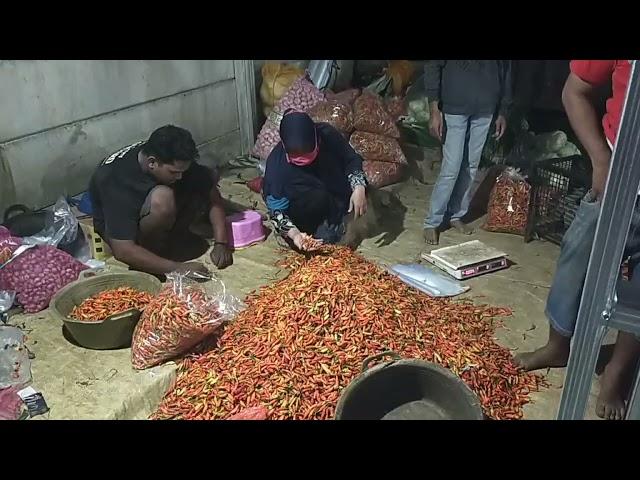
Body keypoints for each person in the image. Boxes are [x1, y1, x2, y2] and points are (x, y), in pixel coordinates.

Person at [515, 60, 640, 420]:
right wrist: (601, 160)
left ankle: (614, 375)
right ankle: (558, 346)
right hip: (618, 175)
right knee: (575, 261)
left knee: (637, 291)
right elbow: (574, 91)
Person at [89, 125, 233, 276]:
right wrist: (177, 268)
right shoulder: (117, 182)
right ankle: (151, 256)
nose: (179, 177)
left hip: (149, 202)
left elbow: (211, 194)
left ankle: (170, 235)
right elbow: (123, 250)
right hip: (119, 230)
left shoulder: (167, 157)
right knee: (163, 199)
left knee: (208, 171)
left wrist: (221, 242)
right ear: (152, 163)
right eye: (174, 172)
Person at [423, 60, 512, 245]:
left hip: (485, 109)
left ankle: (455, 215)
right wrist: (434, 108)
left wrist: (503, 111)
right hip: (454, 107)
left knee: (471, 166)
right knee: (452, 167)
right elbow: (432, 66)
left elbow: (506, 71)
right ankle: (432, 221)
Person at [262, 110, 368, 250]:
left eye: (307, 152)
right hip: (306, 215)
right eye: (296, 156)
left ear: (316, 139)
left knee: (357, 217)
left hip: (337, 197)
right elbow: (277, 212)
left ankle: (338, 218)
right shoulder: (277, 167)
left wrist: (359, 186)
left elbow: (351, 159)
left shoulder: (327, 135)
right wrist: (295, 235)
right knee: (324, 243)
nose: (302, 159)